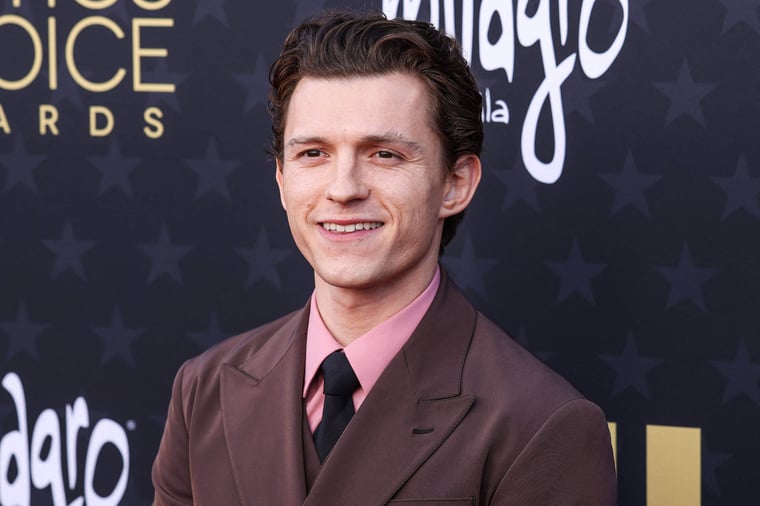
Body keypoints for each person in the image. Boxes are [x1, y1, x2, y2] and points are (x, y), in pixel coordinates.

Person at [152, 9, 617, 505]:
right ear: (282, 182)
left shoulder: (540, 427)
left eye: (384, 154)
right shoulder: (204, 391)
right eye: (314, 153)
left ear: (455, 184)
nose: (344, 188)